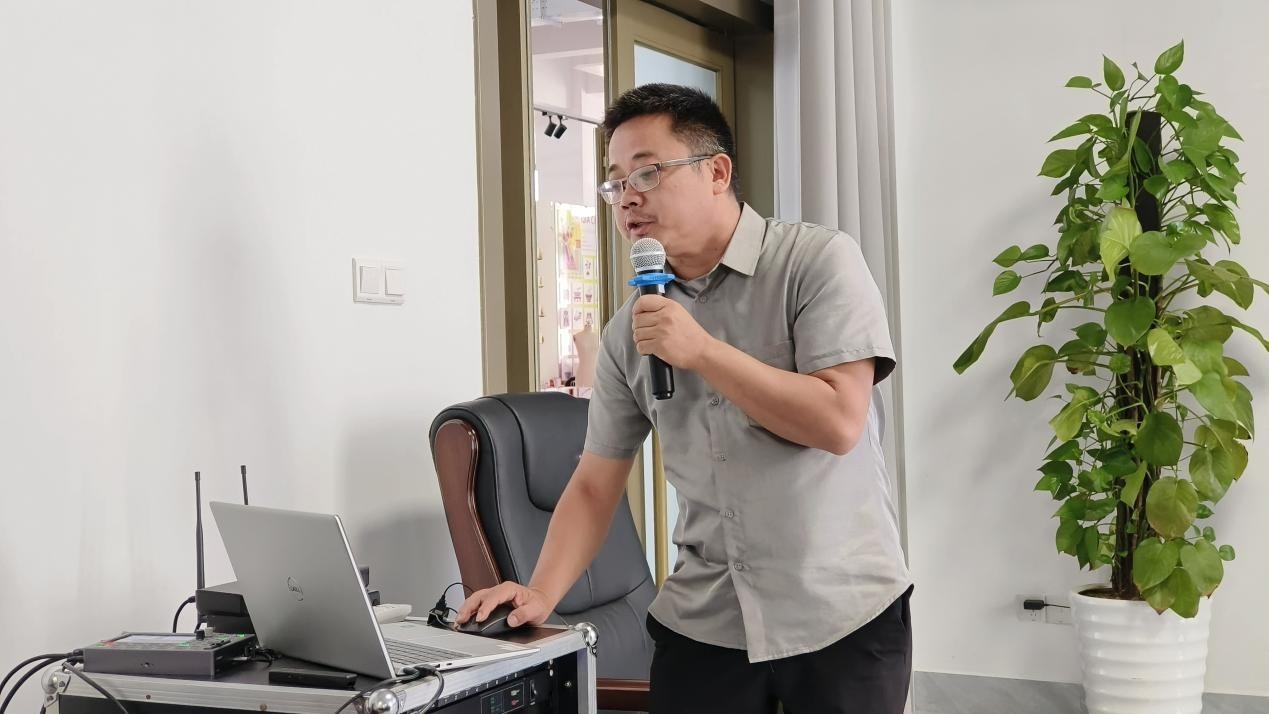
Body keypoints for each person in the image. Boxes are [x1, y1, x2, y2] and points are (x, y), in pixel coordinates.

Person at [457, 83, 911, 713]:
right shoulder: (629, 331)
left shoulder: (816, 262)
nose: (628, 197)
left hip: (841, 617)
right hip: (706, 622)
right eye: (616, 182)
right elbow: (594, 484)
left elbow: (838, 422)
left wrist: (703, 353)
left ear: (717, 172)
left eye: (648, 171)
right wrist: (541, 593)